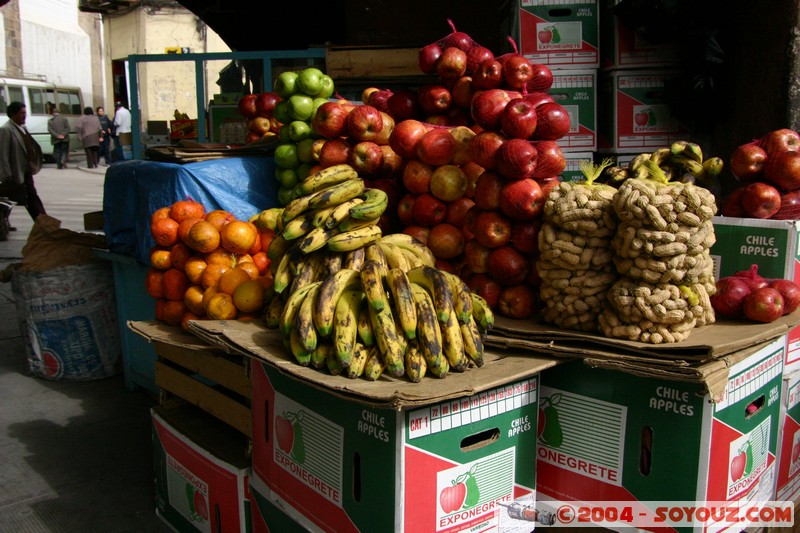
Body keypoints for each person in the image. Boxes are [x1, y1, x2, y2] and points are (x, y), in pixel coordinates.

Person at [0, 101, 46, 230]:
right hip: (15, 173)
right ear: (13, 114)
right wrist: (7, 174)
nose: (24, 116)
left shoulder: (22, 128)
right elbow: (3, 155)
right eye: (22, 113)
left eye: (25, 113)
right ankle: (44, 223)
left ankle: (43, 222)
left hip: (26, 171)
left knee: (24, 198)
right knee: (27, 198)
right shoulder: (6, 129)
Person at [47, 102, 70, 169]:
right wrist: (63, 135)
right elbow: (68, 128)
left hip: (56, 139)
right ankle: (63, 159)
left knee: (57, 151)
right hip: (65, 138)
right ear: (59, 113)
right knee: (64, 150)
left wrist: (57, 135)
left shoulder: (50, 121)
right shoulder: (64, 119)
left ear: (53, 113)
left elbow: (50, 130)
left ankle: (59, 165)